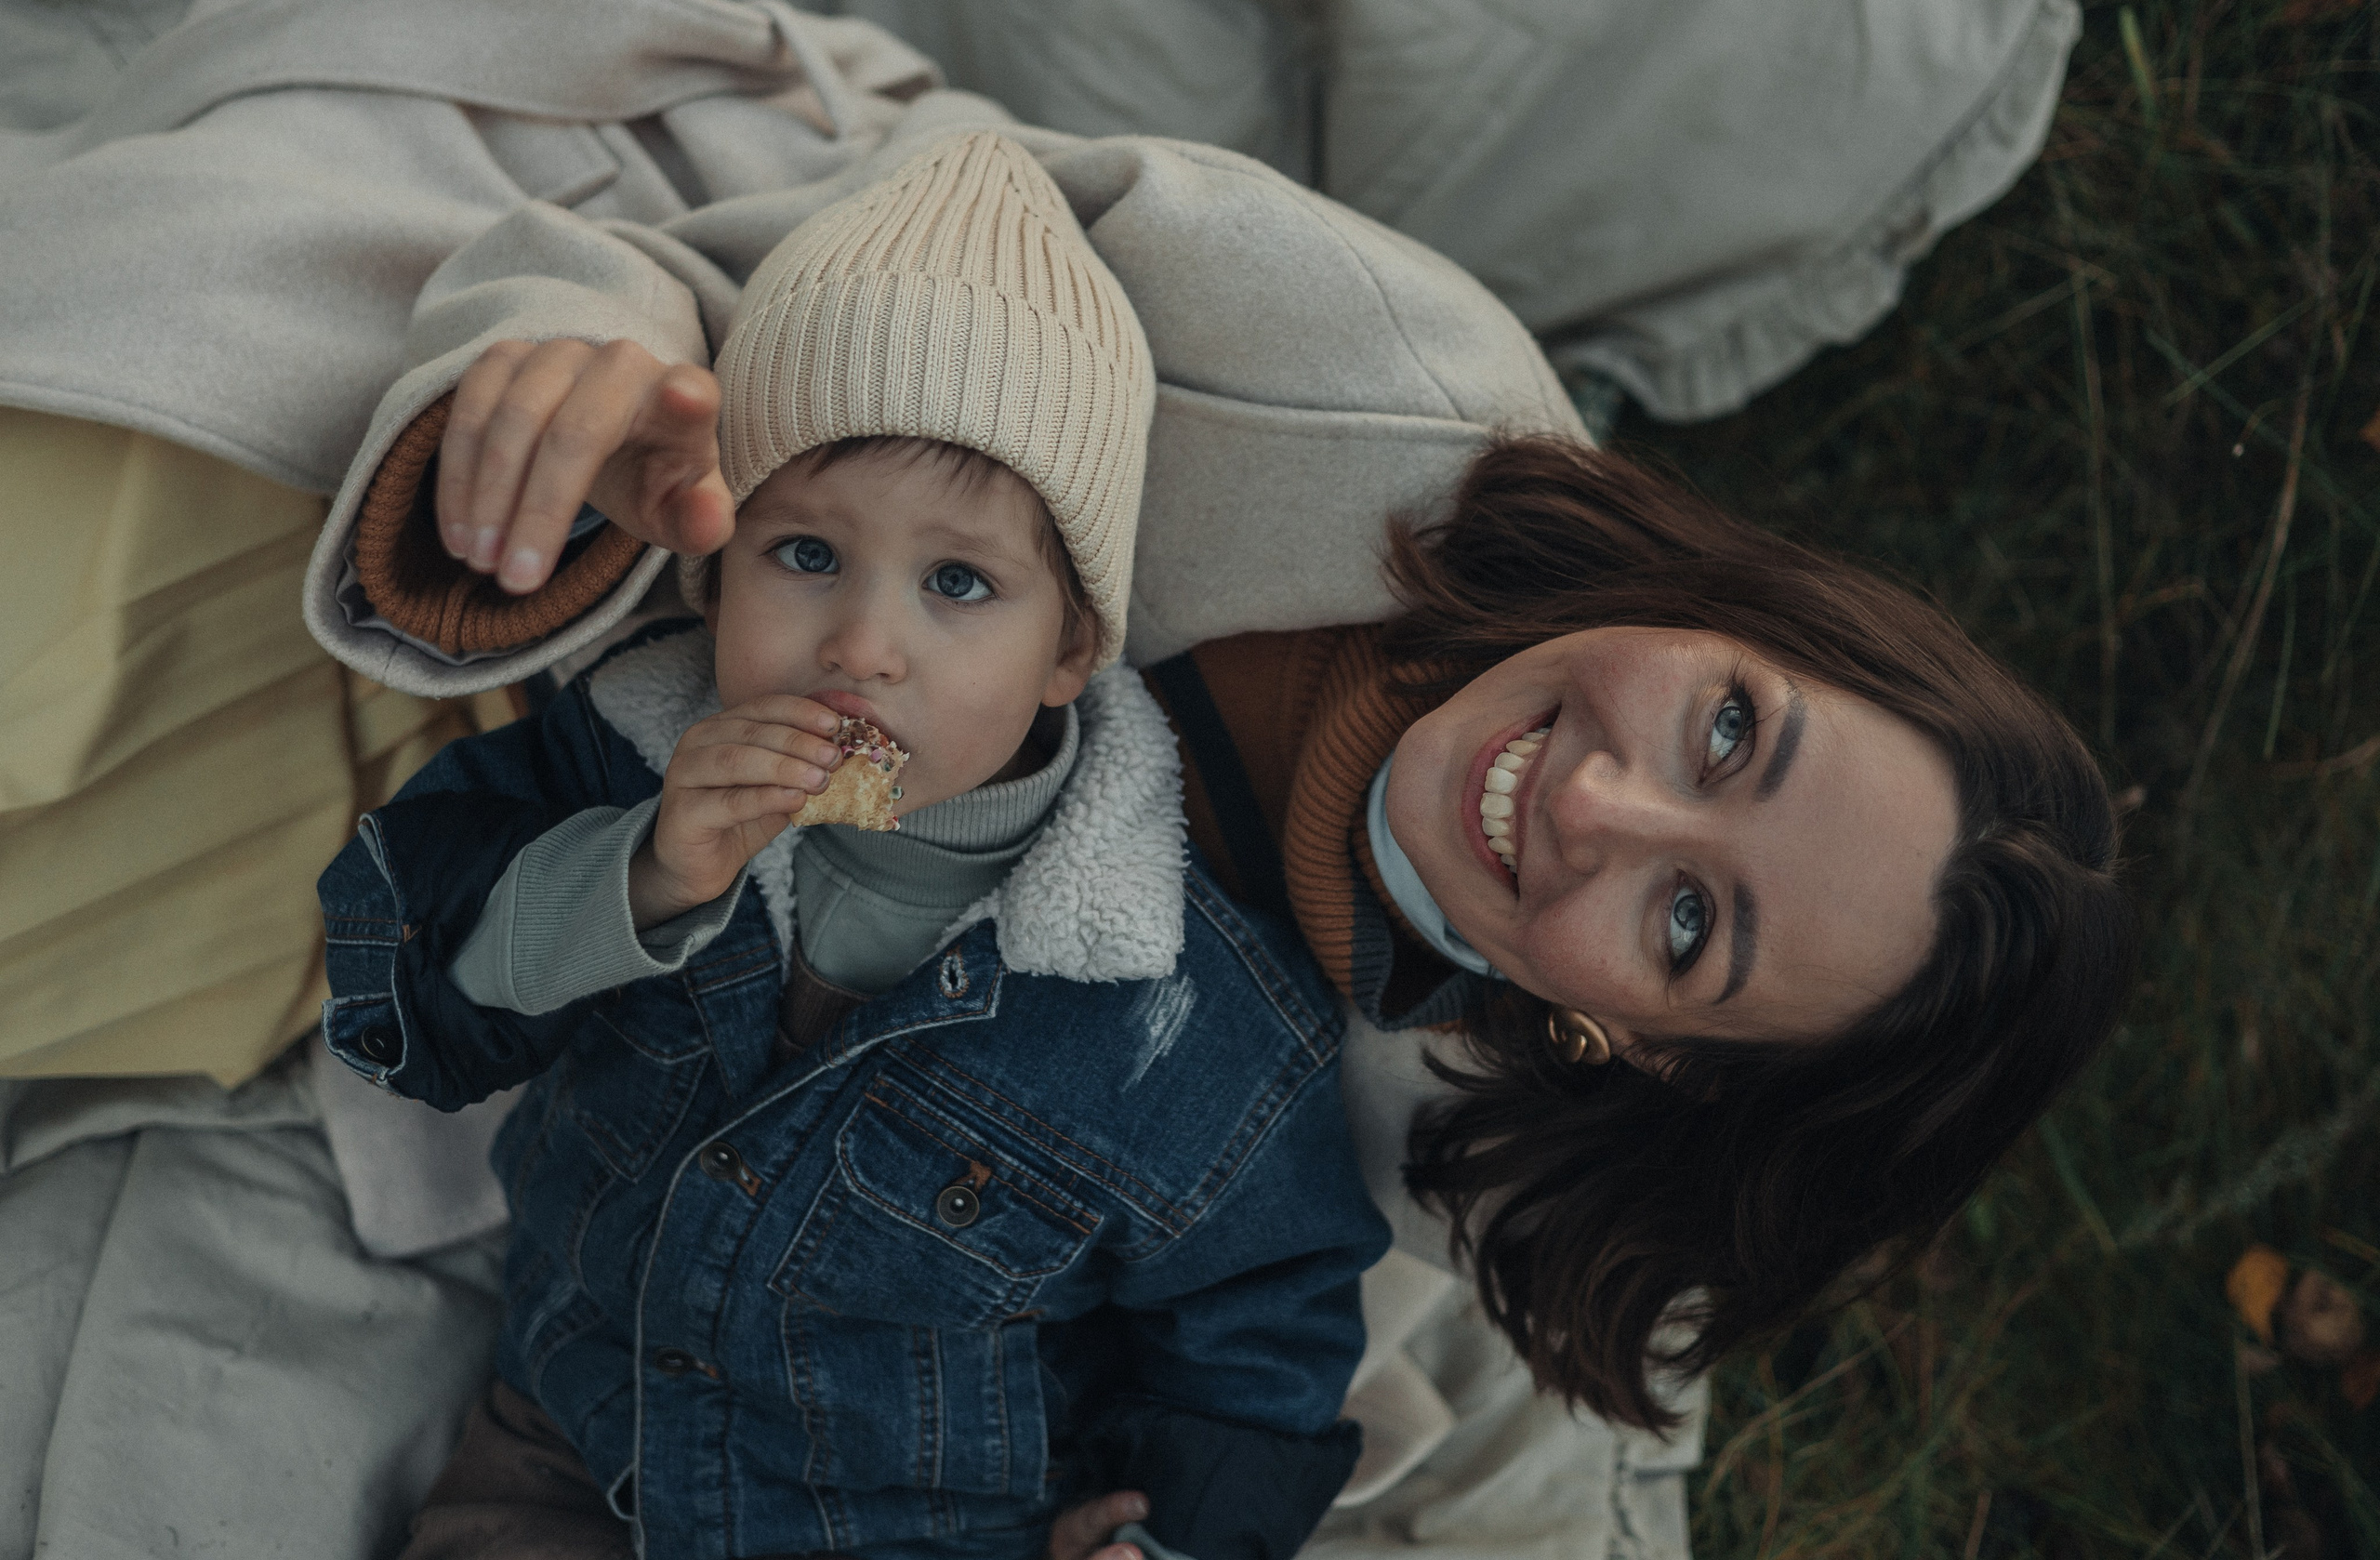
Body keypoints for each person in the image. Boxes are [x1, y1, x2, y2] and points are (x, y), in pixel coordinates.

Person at [424, 309, 2136, 1446]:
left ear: (1656, 1050)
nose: (1600, 802)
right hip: (481, 646)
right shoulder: (1363, 373)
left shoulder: (1382, 1142)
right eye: (1728, 731)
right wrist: (598, 375)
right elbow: (831, 235)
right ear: (1744, 622)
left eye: (1687, 924)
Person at [318, 133, 1390, 1560]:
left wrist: (1171, 1534)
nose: (863, 648)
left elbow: (1264, 1324)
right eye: (805, 554)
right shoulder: (625, 757)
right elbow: (408, 979)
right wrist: (640, 875)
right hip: (582, 1442)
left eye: (960, 582)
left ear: (1071, 646)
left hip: (916, 1526)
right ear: (711, 573)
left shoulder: (1184, 1005)